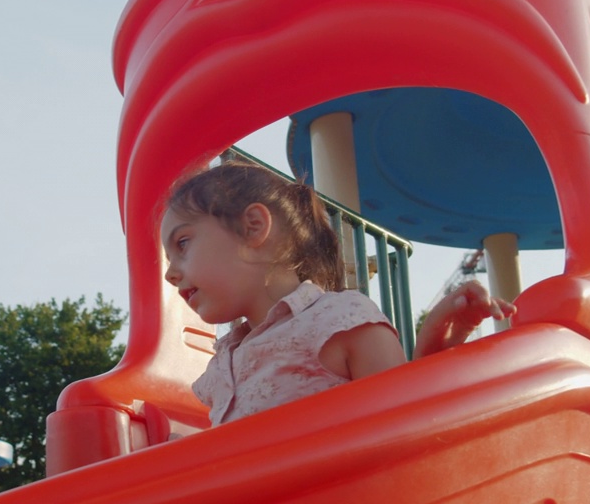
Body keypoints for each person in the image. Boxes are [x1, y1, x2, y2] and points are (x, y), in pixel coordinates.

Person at [161, 161, 515, 426]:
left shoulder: (338, 320)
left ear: (253, 227)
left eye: (183, 243)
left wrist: (432, 353)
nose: (170, 272)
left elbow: (409, 426)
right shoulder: (222, 362)